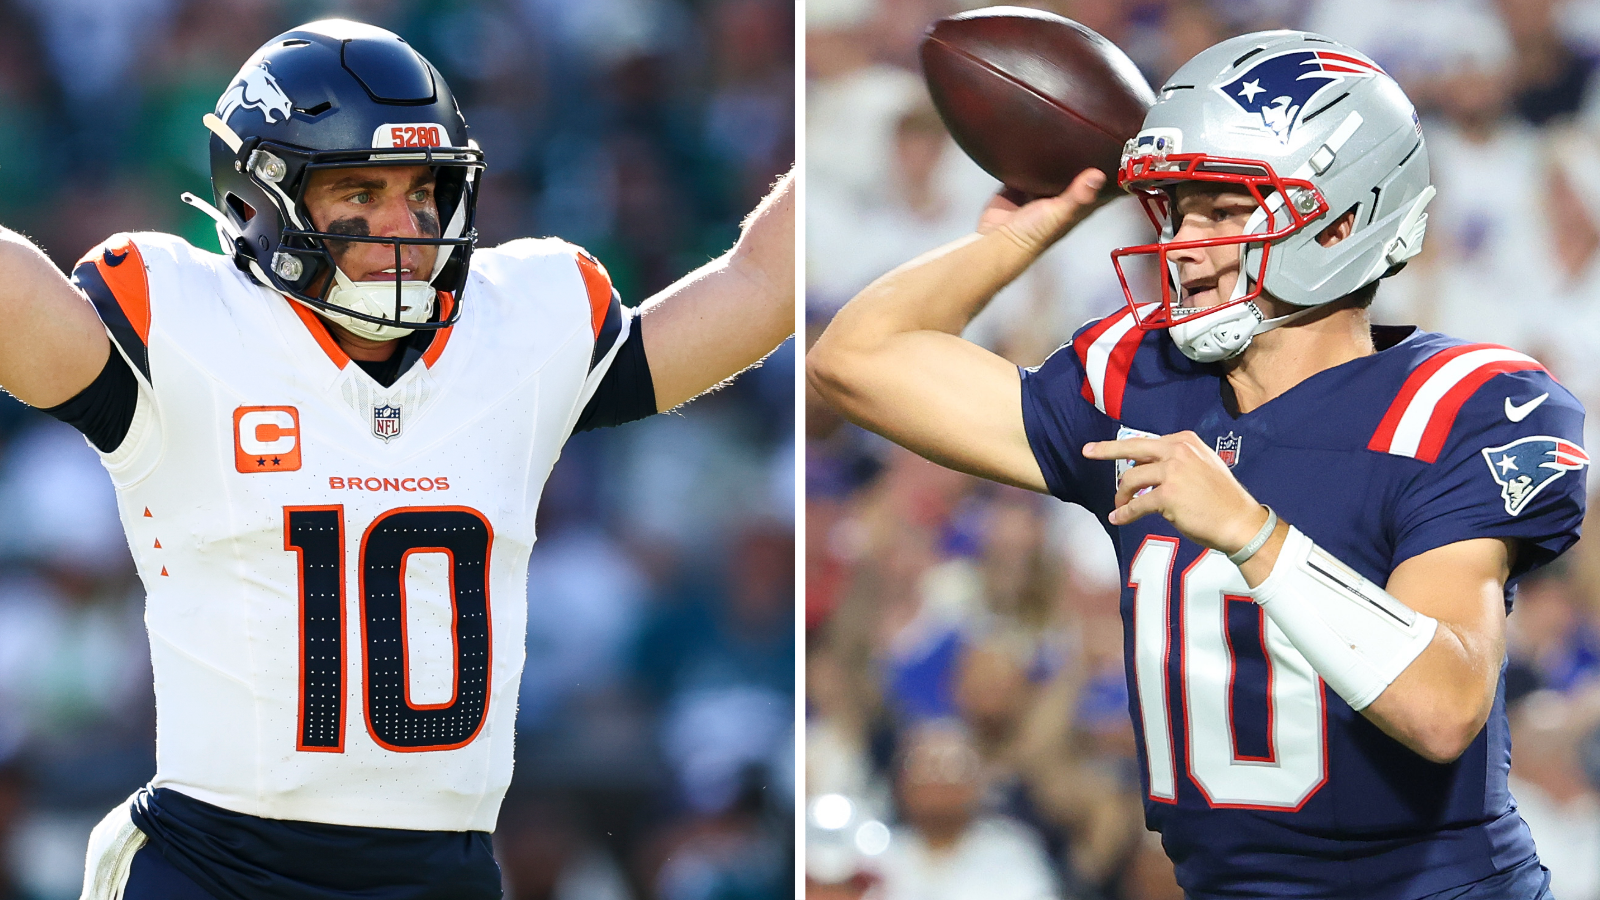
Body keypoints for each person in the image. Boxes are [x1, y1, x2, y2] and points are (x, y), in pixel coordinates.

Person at [0, 19, 793, 900]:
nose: (404, 225)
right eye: (361, 192)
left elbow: (758, 288)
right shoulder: (184, 326)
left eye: (423, 191)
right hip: (216, 868)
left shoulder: (518, 330)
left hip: (439, 874)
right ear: (260, 199)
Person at [809, 28, 1581, 900]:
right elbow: (855, 361)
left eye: (1223, 210)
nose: (1187, 242)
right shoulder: (1144, 379)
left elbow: (1444, 708)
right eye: (1175, 210)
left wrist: (1252, 534)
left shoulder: (1465, 402)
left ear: (1344, 215)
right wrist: (1016, 240)